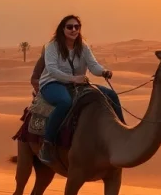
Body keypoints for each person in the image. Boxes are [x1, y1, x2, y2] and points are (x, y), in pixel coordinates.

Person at [37, 15, 124, 164]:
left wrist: (103, 72)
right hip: (53, 83)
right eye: (70, 27)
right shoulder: (52, 46)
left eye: (77, 27)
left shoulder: (82, 46)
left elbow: (93, 65)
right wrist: (73, 79)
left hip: (77, 84)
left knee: (111, 95)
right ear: (62, 29)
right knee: (65, 102)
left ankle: (122, 131)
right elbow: (52, 70)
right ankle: (48, 144)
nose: (74, 30)